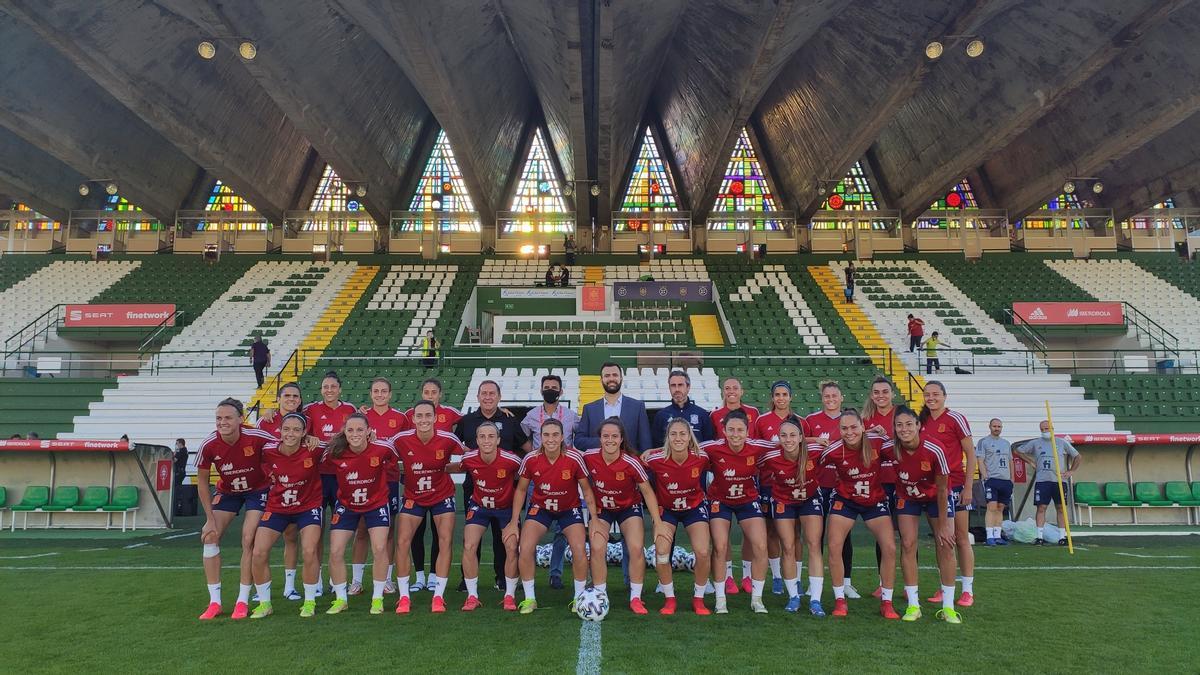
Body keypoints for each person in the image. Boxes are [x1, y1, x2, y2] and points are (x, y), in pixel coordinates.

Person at [504, 418, 599, 614]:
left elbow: (587, 490)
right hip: (541, 508)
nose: (551, 439)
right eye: (546, 435)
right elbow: (521, 490)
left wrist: (595, 519)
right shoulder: (531, 458)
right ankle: (530, 598)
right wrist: (514, 522)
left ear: (563, 436)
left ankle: (578, 597)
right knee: (525, 546)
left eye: (555, 434)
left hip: (568, 508)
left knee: (579, 548)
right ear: (540, 436)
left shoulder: (574, 458)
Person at [195, 398, 275, 620]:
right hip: (228, 491)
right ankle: (215, 602)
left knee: (248, 538)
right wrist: (209, 518)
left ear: (241, 419)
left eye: (228, 417)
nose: (223, 422)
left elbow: (285, 443)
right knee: (210, 536)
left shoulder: (257, 436)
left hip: (258, 490)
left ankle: (242, 600)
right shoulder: (209, 444)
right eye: (219, 418)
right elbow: (202, 482)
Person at [574, 362, 653, 586]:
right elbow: (579, 439)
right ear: (601, 379)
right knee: (597, 541)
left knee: (633, 539)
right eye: (607, 375)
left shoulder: (636, 406)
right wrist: (606, 444)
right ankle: (597, 583)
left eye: (614, 374)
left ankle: (631, 582)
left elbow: (645, 441)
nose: (611, 378)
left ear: (621, 377)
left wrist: (627, 457)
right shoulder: (590, 408)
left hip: (629, 478)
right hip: (600, 482)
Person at [582, 418, 668, 614]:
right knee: (596, 546)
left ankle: (636, 598)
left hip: (629, 508)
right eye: (605, 436)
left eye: (614, 436)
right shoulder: (589, 457)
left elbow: (647, 492)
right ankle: (600, 594)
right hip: (602, 508)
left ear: (621, 439)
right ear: (600, 438)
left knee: (636, 548)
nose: (610, 440)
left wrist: (658, 521)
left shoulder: (631, 462)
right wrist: (592, 517)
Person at [820, 410, 898, 619]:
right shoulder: (835, 449)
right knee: (834, 546)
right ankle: (839, 600)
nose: (849, 432)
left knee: (889, 547)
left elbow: (903, 450)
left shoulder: (877, 442)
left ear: (863, 427)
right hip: (846, 500)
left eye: (854, 427)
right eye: (844, 428)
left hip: (874, 500)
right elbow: (809, 457)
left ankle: (887, 601)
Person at [391, 400, 466, 614]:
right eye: (419, 416)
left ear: (435, 418)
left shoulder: (448, 438)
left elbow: (468, 456)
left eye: (428, 416)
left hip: (442, 496)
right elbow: (381, 451)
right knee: (403, 542)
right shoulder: (400, 439)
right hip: (414, 496)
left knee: (445, 541)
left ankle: (438, 597)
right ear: (413, 419)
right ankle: (404, 597)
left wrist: (446, 468)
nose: (423, 420)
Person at [249, 413, 324, 619]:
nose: (291, 433)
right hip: (278, 507)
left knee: (309, 551)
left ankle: (309, 601)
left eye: (296, 430)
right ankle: (265, 603)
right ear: (280, 431)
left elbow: (340, 444)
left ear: (304, 433)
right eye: (287, 429)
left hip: (308, 507)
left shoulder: (315, 449)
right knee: (258, 552)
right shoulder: (268, 450)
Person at [454, 380, 527, 591]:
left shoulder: (509, 420)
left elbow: (527, 447)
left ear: (499, 396)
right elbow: (454, 444)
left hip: (505, 490)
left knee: (501, 537)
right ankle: (466, 580)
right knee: (472, 536)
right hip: (475, 487)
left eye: (491, 393)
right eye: (483, 393)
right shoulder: (466, 421)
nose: (487, 397)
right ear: (477, 397)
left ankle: (503, 578)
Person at [892, 406, 961, 624]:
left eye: (909, 424)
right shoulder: (891, 448)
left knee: (946, 543)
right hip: (908, 497)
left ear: (919, 426)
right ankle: (913, 605)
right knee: (908, 544)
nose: (904, 429)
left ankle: (948, 607)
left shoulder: (934, 448)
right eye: (899, 425)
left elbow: (942, 490)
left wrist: (942, 525)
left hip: (935, 498)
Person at [702, 410, 775, 614]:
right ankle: (720, 599)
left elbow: (787, 443)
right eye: (731, 430)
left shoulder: (757, 446)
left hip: (747, 499)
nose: (735, 434)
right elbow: (681, 447)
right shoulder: (712, 447)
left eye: (740, 430)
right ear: (723, 431)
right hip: (720, 500)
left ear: (747, 431)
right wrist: (652, 451)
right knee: (720, 546)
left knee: (761, 546)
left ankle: (757, 599)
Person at [324, 414, 396, 616]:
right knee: (336, 551)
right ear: (344, 433)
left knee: (380, 547)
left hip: (376, 503)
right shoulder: (335, 453)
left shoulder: (383, 449)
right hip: (347, 505)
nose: (355, 434)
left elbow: (397, 459)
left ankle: (377, 598)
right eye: (350, 430)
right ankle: (340, 599)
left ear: (368, 431)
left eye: (359, 429)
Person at [446, 422, 522, 611]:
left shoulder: (512, 460)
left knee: (512, 547)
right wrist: (434, 467)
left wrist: (515, 518)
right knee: (469, 545)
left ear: (498, 440)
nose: (486, 440)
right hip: (480, 506)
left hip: (506, 508)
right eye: (482, 437)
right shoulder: (470, 458)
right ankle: (472, 596)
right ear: (477, 440)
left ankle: (509, 595)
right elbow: (456, 467)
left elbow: (525, 478)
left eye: (490, 436)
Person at [643, 418, 713, 615]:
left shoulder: (701, 457)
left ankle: (698, 599)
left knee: (702, 552)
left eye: (683, 433)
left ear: (690, 437)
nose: (678, 438)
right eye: (673, 434)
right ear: (667, 437)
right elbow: (637, 466)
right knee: (662, 552)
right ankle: (669, 598)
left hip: (694, 507)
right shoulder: (655, 460)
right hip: (667, 510)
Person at [918, 380, 976, 606]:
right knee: (942, 540)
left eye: (935, 394)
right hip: (933, 488)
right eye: (927, 394)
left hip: (957, 485)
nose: (931, 398)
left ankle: (968, 589)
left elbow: (970, 454)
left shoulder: (956, 419)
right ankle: (946, 586)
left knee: (960, 538)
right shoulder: (922, 421)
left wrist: (969, 487)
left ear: (944, 396)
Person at [519, 374, 579, 589]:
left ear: (561, 392)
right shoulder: (531, 416)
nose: (550, 390)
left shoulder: (572, 416)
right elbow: (521, 437)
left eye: (554, 387)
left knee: (562, 530)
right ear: (541, 390)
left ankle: (556, 573)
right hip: (538, 477)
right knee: (531, 527)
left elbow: (577, 439)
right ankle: (527, 574)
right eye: (547, 387)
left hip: (564, 477)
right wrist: (535, 454)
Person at [760, 419, 824, 615]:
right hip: (783, 500)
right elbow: (751, 463)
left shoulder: (815, 451)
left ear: (801, 438)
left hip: (810, 498)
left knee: (813, 544)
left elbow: (841, 446)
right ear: (779, 438)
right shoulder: (771, 455)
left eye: (793, 435)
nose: (788, 440)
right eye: (784, 435)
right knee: (787, 546)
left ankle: (815, 599)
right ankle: (793, 596)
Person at [405, 378, 463, 593]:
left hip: (440, 487)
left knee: (440, 534)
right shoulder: (408, 418)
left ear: (440, 394)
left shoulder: (450, 416)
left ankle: (433, 577)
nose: (430, 395)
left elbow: (464, 446)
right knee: (416, 533)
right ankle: (419, 576)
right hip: (415, 485)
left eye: (434, 392)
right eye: (426, 392)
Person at [355, 378, 410, 596]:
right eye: (376, 391)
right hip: (363, 480)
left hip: (389, 480)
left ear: (390, 394)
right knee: (361, 530)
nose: (379, 395)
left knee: (388, 530)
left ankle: (387, 579)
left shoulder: (400, 418)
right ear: (370, 394)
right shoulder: (362, 417)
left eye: (383, 391)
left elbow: (405, 447)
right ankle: (357, 581)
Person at [804, 381, 859, 599]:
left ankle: (846, 582)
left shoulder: (848, 421)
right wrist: (814, 439)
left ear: (841, 397)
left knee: (844, 537)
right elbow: (799, 440)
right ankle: (812, 583)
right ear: (822, 398)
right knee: (814, 537)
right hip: (817, 484)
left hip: (842, 486)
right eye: (827, 396)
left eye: (834, 396)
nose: (830, 399)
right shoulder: (811, 420)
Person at [753, 381, 807, 596]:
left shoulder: (801, 422)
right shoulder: (762, 421)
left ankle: (798, 578)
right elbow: (756, 449)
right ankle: (776, 577)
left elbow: (807, 449)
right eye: (777, 394)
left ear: (791, 397)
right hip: (768, 483)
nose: (781, 398)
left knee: (795, 534)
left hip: (795, 485)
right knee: (772, 532)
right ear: (772, 397)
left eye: (785, 394)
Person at [256, 382, 309, 600]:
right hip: (268, 487)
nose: (291, 399)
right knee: (257, 540)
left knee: (291, 536)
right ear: (278, 398)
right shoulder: (265, 420)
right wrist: (269, 473)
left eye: (295, 396)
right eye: (286, 395)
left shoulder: (305, 420)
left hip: (295, 487)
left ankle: (289, 586)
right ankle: (260, 590)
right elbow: (256, 452)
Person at [710, 376, 761, 593]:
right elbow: (707, 445)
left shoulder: (753, 413)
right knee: (723, 535)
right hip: (721, 478)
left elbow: (761, 444)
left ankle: (748, 575)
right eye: (727, 388)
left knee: (752, 534)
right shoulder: (714, 415)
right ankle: (728, 576)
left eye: (735, 388)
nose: (731, 391)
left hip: (747, 478)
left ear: (742, 391)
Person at [1014, 421, 1082, 546]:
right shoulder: (1036, 443)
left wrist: (1071, 471)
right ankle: (1039, 537)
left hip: (1059, 481)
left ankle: (1062, 537)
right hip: (1042, 480)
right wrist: (1031, 462)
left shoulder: (1061, 442)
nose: (1045, 431)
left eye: (1047, 428)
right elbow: (1018, 451)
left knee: (1061, 508)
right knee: (1041, 507)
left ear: (1052, 428)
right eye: (1042, 429)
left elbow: (1077, 456)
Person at [861, 376, 899, 598]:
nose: (881, 396)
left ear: (892, 393)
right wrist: (868, 434)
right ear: (871, 395)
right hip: (877, 482)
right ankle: (882, 582)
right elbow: (854, 441)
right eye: (876, 392)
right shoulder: (865, 418)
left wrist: (889, 437)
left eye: (885, 391)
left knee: (905, 535)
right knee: (882, 536)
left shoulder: (901, 415)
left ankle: (906, 583)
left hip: (901, 480)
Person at [651, 369, 715, 447]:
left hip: (696, 458)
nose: (677, 389)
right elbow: (657, 446)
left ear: (688, 387)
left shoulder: (702, 414)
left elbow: (708, 445)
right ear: (669, 388)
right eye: (673, 385)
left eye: (680, 385)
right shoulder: (661, 416)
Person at [976, 418, 1014, 546]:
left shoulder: (1006, 443)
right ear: (990, 427)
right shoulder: (984, 442)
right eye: (995, 426)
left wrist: (1012, 478)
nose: (997, 428)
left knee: (1000, 508)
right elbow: (980, 460)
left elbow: (1010, 461)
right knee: (991, 507)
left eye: (999, 426)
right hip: (992, 479)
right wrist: (985, 476)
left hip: (1005, 480)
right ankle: (989, 536)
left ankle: (997, 536)